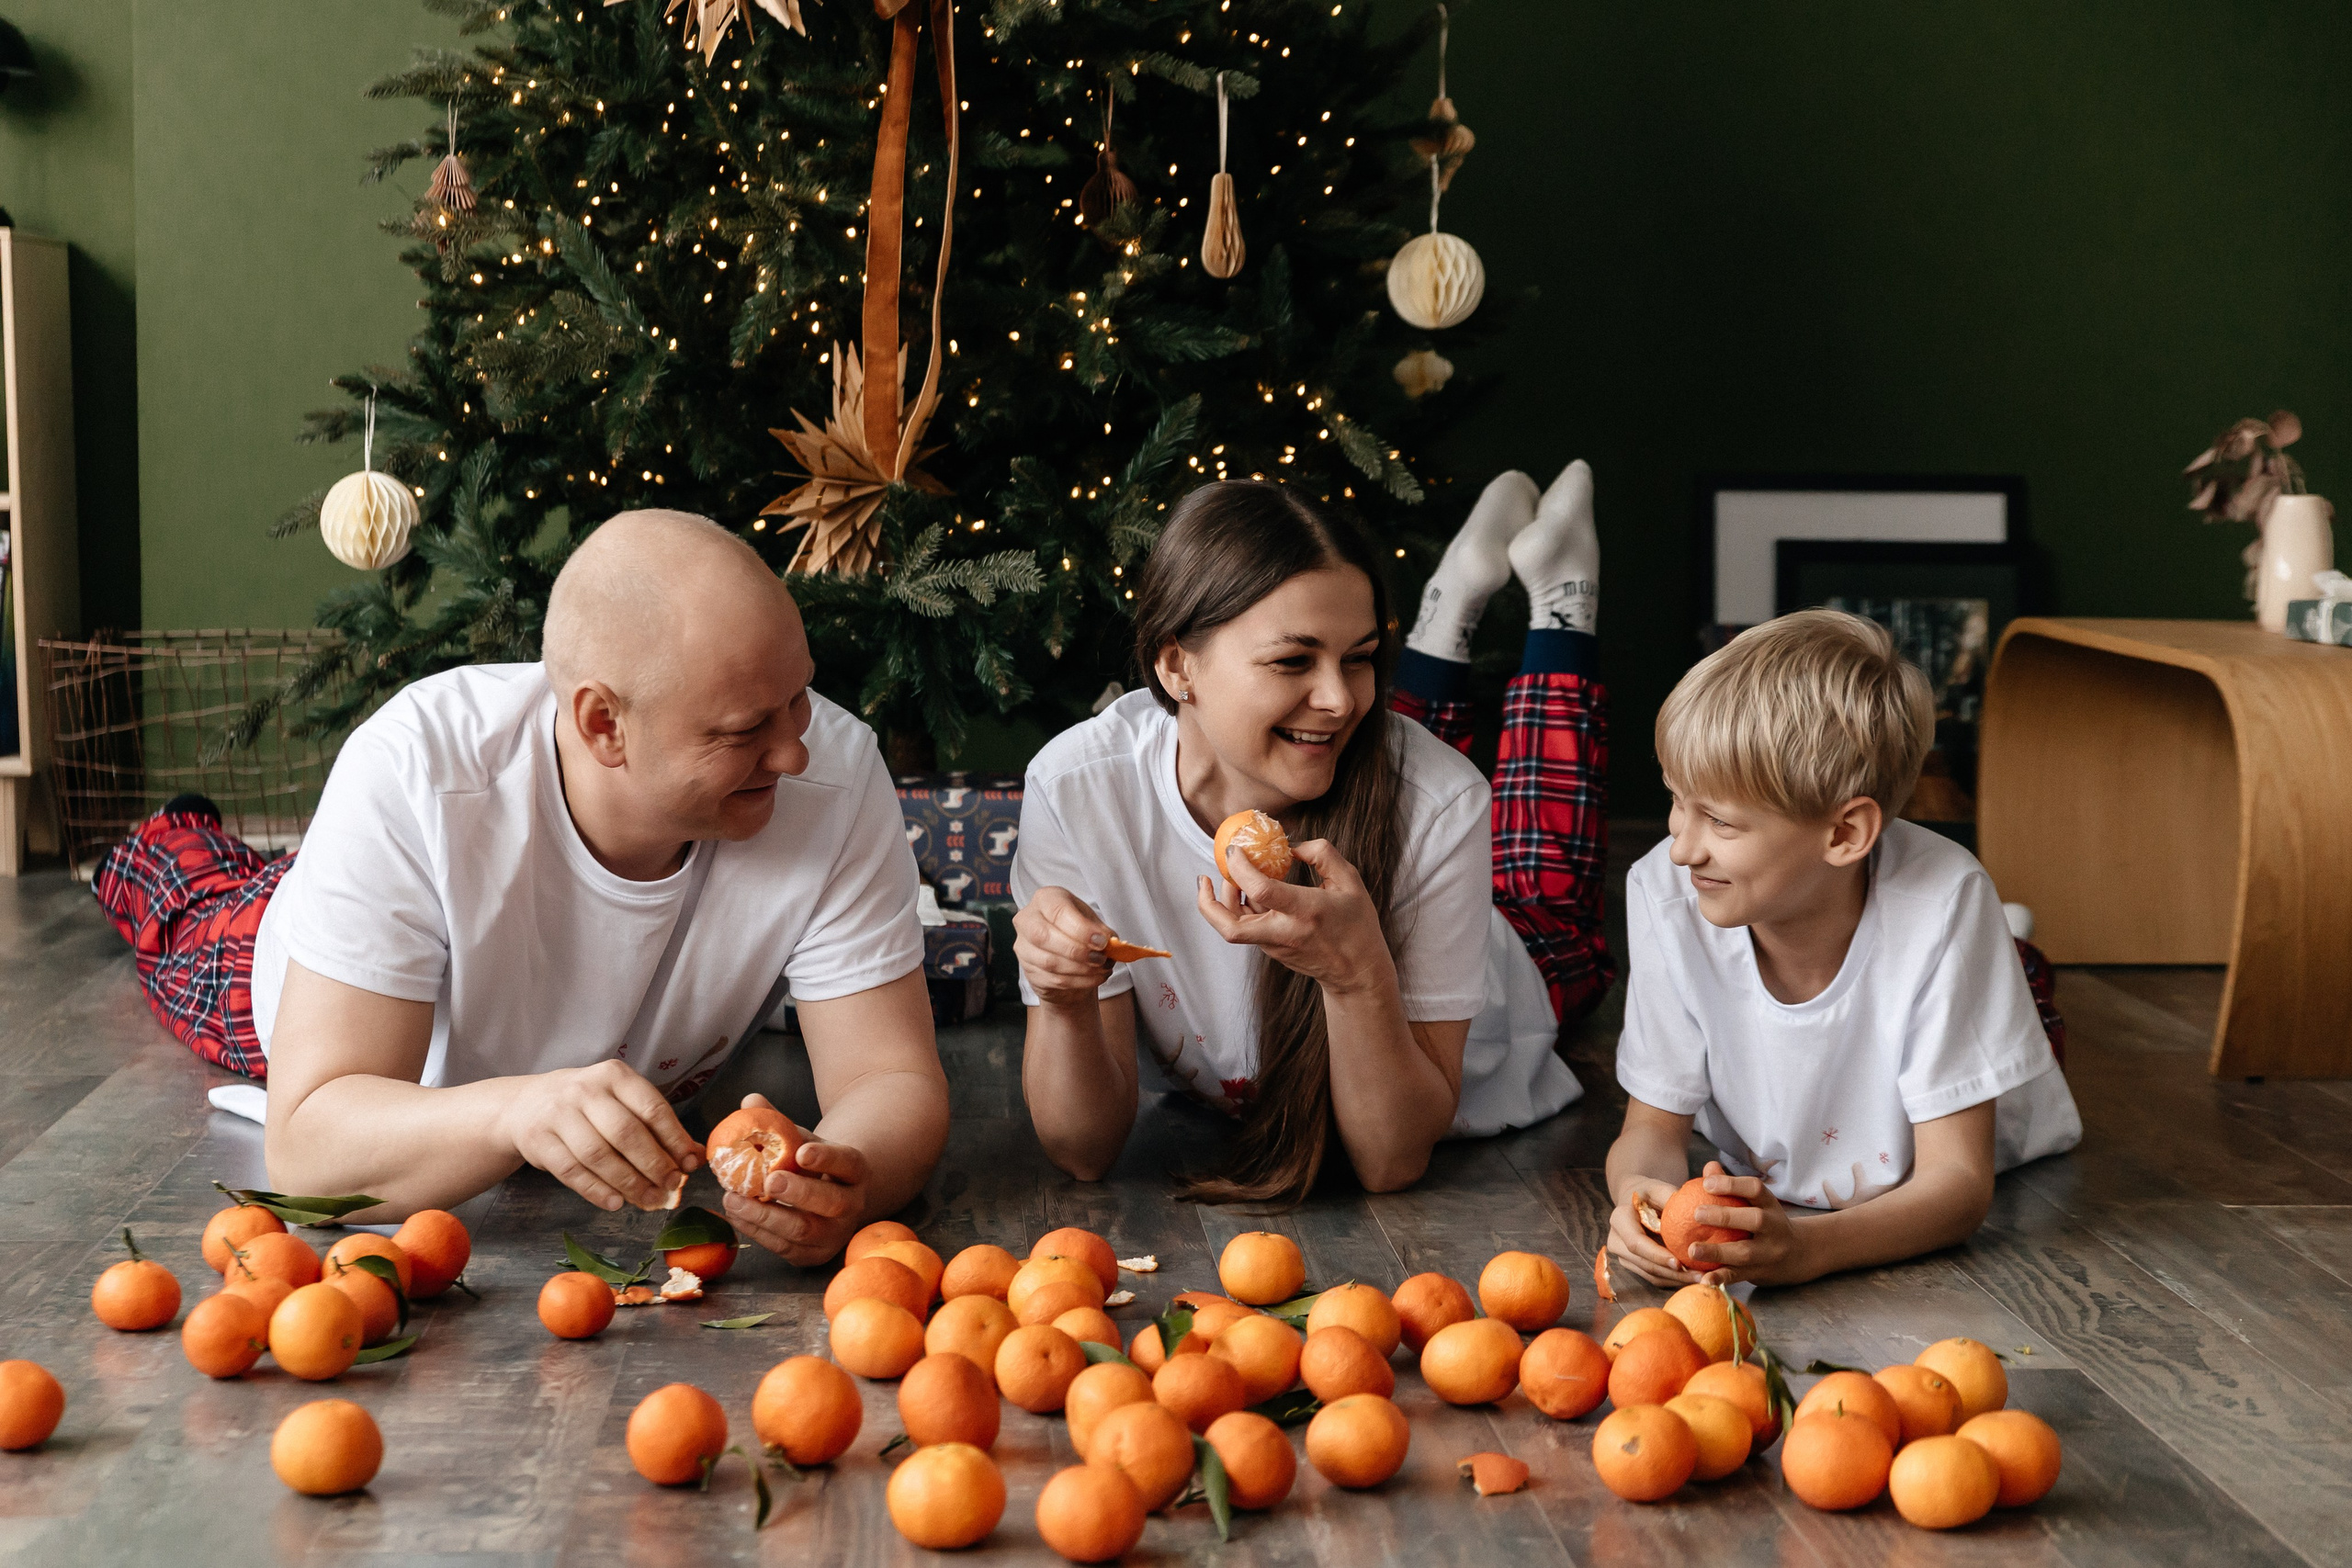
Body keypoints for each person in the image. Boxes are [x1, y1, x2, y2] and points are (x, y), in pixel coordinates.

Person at [94, 511, 949, 1264]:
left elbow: (894, 1079)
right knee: (183, 898)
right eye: (743, 730)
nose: (795, 751)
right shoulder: (415, 771)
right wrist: (518, 1114)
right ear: (602, 723)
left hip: (457, 958)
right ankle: (167, 834)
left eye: (797, 697)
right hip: (293, 982)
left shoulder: (834, 771)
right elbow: (310, 1147)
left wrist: (849, 1177)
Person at [1011, 468, 1613, 1202]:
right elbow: (1082, 1152)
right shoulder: (1080, 789)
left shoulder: (1442, 801)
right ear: (1176, 664)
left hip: (1514, 974)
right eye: (1293, 660)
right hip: (1398, 796)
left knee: (1550, 887)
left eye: (1360, 657)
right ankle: (1448, 606)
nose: (1338, 696)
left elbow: (1391, 1161)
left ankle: (1562, 604)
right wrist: (1062, 996)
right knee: (1373, 748)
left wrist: (1357, 971)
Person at [1604, 609, 2081, 1289]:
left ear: (1845, 834)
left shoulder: (1943, 901)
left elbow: (1958, 1181)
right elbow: (1650, 1126)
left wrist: (1807, 1248)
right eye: (1678, 802)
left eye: (1720, 820)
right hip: (1822, 1100)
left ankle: (2009, 946)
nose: (1682, 845)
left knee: (2027, 985)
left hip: (1970, 1080)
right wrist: (1639, 1202)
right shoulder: (1665, 889)